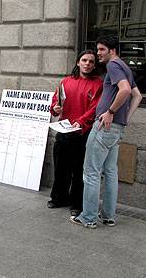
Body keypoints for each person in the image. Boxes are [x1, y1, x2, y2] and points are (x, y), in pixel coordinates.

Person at [70, 36, 142, 229]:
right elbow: (137, 95)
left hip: (104, 127)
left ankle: (88, 217)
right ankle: (108, 216)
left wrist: (110, 112)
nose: (98, 53)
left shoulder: (113, 65)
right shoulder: (125, 66)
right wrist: (124, 117)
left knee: (91, 173)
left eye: (101, 49)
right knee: (110, 172)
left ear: (112, 50)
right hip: (117, 128)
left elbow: (126, 90)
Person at [48, 50, 103, 217]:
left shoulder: (98, 84)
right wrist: (55, 108)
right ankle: (58, 198)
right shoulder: (65, 82)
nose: (87, 64)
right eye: (84, 60)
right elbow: (55, 104)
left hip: (83, 133)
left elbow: (96, 108)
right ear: (78, 62)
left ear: (94, 65)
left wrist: (81, 120)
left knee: (80, 171)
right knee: (60, 168)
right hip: (64, 131)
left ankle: (76, 203)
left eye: (91, 61)